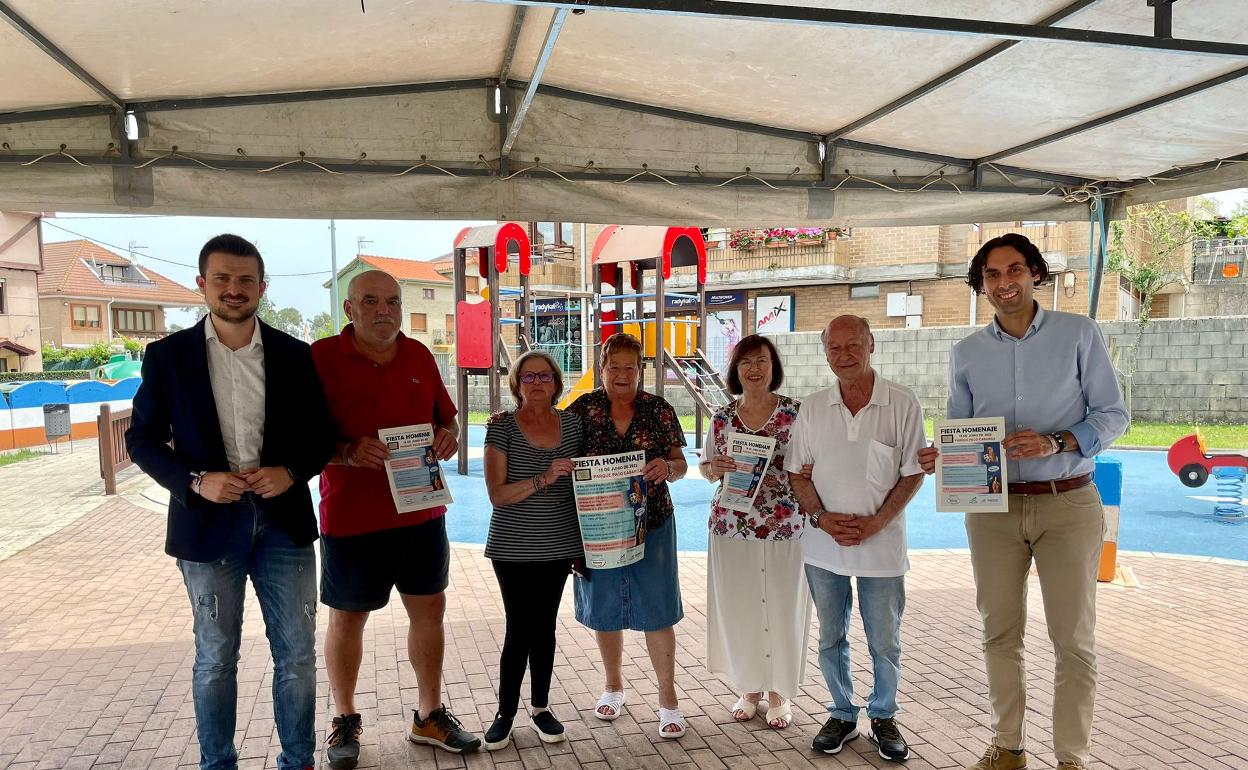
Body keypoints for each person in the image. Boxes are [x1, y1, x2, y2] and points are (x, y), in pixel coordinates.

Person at [918, 233, 1129, 770]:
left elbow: (1113, 414)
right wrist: (943, 455)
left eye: (1014, 269)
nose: (1004, 282)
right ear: (981, 282)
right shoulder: (966, 353)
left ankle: (1071, 758)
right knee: (999, 633)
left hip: (1068, 502)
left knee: (1073, 639)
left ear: (1035, 273)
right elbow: (963, 432)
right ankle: (1008, 747)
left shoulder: (1078, 333)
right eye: (992, 274)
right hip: (993, 511)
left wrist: (1057, 441)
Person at [126, 234, 335, 770]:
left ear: (262, 287)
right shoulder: (168, 357)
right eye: (222, 278)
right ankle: (217, 764)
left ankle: (298, 761)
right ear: (202, 285)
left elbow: (322, 435)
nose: (234, 289)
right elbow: (143, 440)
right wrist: (196, 481)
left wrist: (290, 472)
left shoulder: (294, 355)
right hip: (206, 525)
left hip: (283, 525)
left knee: (298, 658)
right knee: (216, 659)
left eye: (245, 280)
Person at [312, 270, 480, 767]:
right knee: (347, 618)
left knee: (430, 612)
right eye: (370, 301)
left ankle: (429, 715)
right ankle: (344, 718)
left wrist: (448, 435)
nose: (383, 310)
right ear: (349, 309)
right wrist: (344, 451)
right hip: (351, 516)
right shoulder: (320, 359)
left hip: (421, 510)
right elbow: (293, 435)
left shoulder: (420, 355)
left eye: (391, 301)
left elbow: (444, 418)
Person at [785, 316, 925, 762]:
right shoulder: (813, 407)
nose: (844, 356)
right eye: (834, 348)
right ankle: (842, 713)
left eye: (853, 346)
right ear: (825, 353)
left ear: (872, 345)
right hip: (823, 547)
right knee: (831, 636)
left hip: (881, 547)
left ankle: (884, 715)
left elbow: (913, 473)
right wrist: (821, 517)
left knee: (885, 640)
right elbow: (795, 472)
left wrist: (878, 522)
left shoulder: (902, 402)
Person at [566, 332, 690, 738]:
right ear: (601, 369)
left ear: (641, 370)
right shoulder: (581, 409)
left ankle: (668, 699)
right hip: (599, 528)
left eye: (630, 368)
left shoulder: (659, 409)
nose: (622, 374)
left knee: (657, 609)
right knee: (605, 608)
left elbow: (680, 463)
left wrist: (666, 468)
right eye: (613, 367)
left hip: (651, 523)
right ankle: (614, 686)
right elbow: (558, 453)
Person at [698, 334, 809, 730]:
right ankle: (749, 688)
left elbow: (812, 463)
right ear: (735, 370)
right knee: (741, 606)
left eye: (761, 360)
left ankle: (779, 691)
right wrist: (717, 469)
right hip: (732, 526)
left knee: (782, 606)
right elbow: (707, 467)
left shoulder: (797, 413)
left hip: (785, 526)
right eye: (745, 362)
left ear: (772, 367)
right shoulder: (723, 416)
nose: (754, 369)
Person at [480, 350, 585, 751]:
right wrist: (543, 478)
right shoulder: (501, 427)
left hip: (559, 544)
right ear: (516, 384)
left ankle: (540, 708)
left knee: (545, 629)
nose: (537, 383)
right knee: (518, 629)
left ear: (557, 383)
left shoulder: (574, 425)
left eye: (544, 376)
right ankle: (505, 712)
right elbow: (497, 495)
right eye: (528, 377)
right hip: (513, 547)